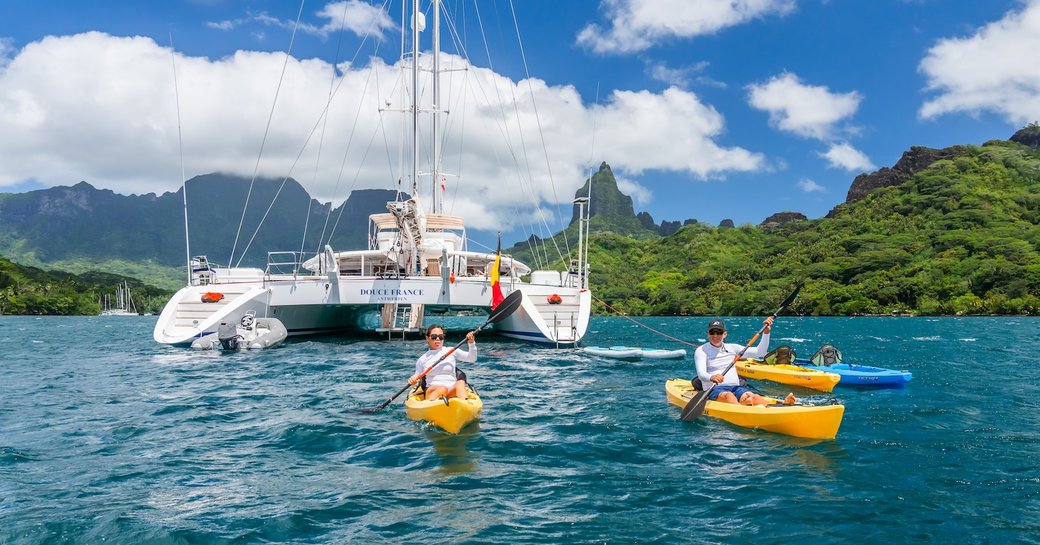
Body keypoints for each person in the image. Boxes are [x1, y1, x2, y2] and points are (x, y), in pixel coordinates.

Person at [694, 317, 796, 406]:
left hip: (736, 388)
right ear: (708, 334)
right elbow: (701, 374)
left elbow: (760, 352)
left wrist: (766, 333)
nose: (715, 335)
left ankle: (782, 406)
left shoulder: (733, 348)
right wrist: (712, 377)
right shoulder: (701, 350)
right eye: (712, 332)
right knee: (729, 396)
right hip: (713, 389)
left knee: (754, 397)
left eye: (719, 332)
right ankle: (742, 407)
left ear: (724, 334)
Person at [408, 325, 477, 401]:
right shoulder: (422, 359)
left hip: (450, 390)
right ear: (427, 338)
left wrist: (471, 343)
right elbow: (416, 380)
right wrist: (413, 381)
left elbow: (472, 358)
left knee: (460, 383)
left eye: (441, 336)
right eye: (434, 336)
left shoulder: (451, 351)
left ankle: (465, 405)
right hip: (432, 390)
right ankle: (432, 404)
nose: (437, 339)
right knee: (442, 389)